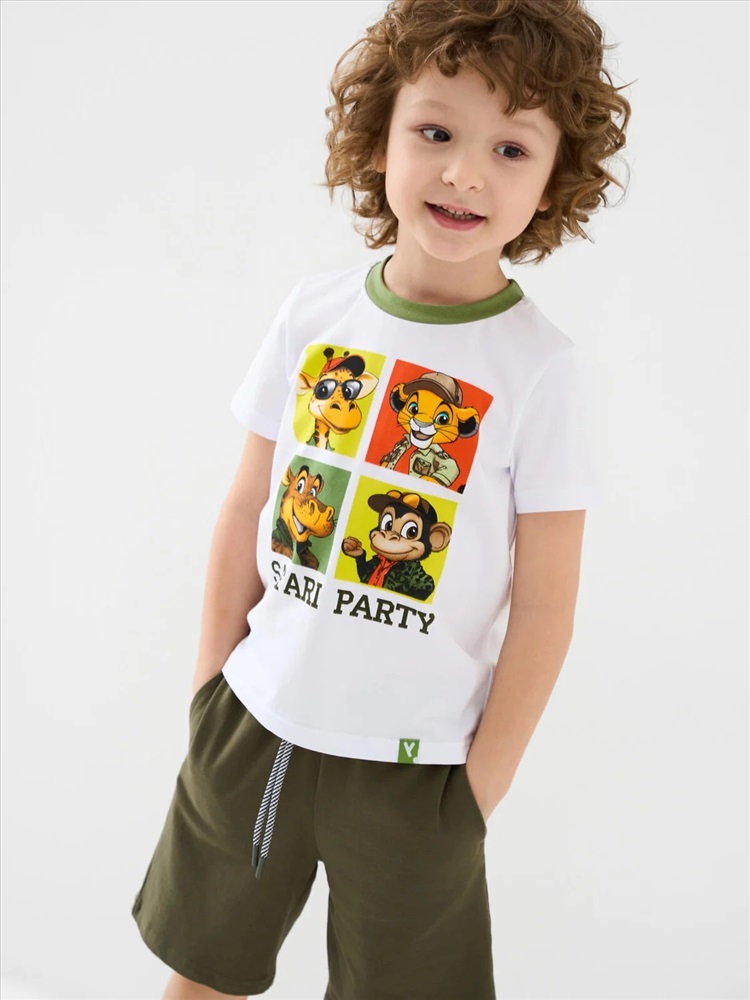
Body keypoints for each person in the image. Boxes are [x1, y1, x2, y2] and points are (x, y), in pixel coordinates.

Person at [131, 1, 631, 997]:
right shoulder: (313, 312)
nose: (465, 173)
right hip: (256, 724)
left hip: (419, 771)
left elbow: (546, 604)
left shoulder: (539, 369)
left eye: (511, 148)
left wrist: (478, 789)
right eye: (436, 132)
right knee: (201, 973)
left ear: (554, 177)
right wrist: (209, 685)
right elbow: (247, 505)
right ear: (380, 136)